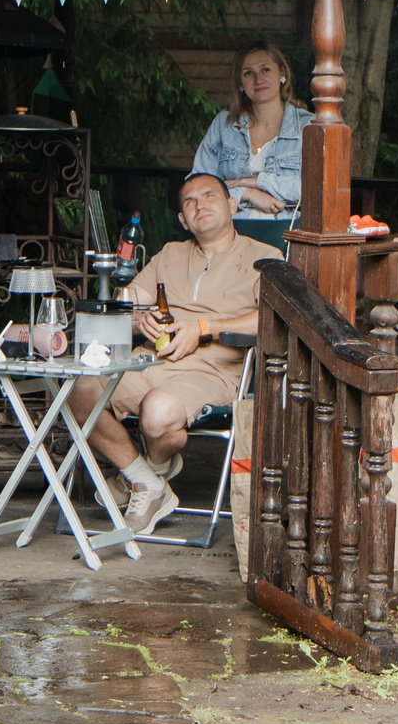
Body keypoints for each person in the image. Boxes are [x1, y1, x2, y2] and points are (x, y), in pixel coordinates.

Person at [69, 172, 274, 535]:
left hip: (211, 372)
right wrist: (139, 320)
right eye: (190, 202)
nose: (200, 205)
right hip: (147, 363)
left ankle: (144, 474)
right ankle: (146, 480)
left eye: (209, 196)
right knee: (78, 389)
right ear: (183, 219)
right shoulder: (170, 254)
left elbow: (272, 319)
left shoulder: (263, 257)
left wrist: (204, 327)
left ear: (231, 205)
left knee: (160, 415)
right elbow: (125, 305)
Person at [191, 41, 315, 216]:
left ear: (282, 72)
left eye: (265, 69)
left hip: (287, 232)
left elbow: (316, 190)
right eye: (248, 73)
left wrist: (256, 181)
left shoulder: (308, 126)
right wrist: (247, 193)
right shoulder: (223, 125)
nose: (258, 79)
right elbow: (198, 187)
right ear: (240, 82)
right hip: (233, 232)